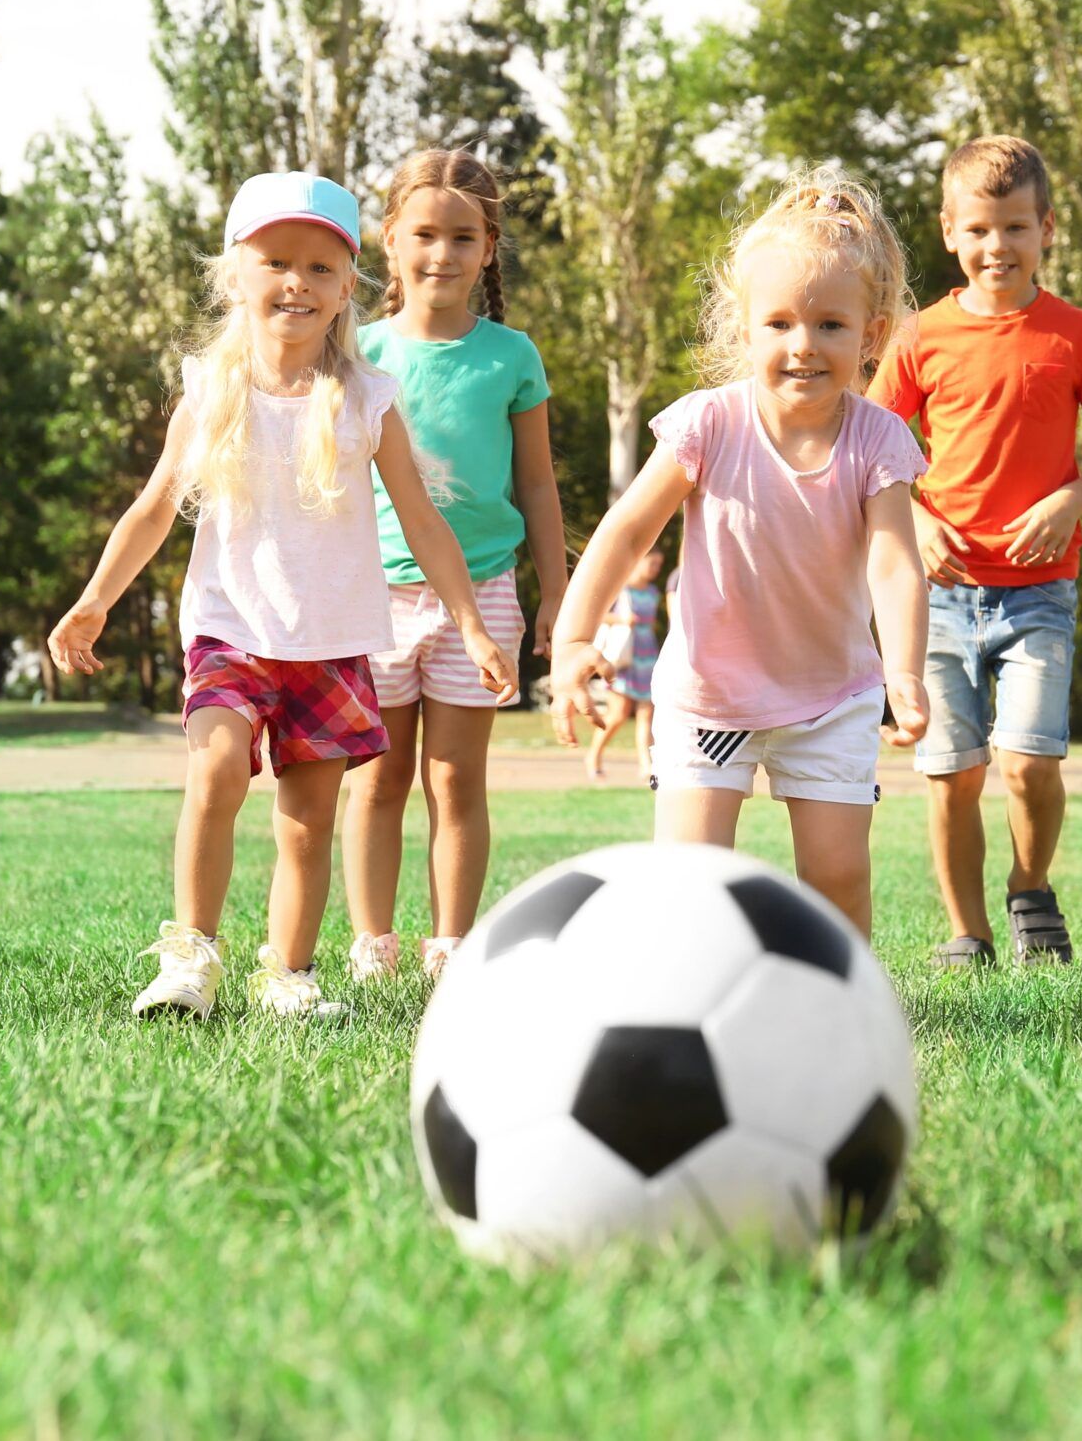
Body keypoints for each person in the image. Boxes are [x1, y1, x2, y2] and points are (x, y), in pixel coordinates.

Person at [49, 172, 512, 1021]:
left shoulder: (368, 398)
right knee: (218, 771)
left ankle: (287, 973)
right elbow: (154, 508)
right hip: (229, 631)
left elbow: (423, 521)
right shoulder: (209, 390)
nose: (296, 282)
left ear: (346, 288)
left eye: (319, 267)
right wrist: (94, 599)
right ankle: (191, 957)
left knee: (306, 823)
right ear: (236, 275)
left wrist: (473, 623)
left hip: (330, 642)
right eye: (275, 261)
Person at [549, 170, 929, 936]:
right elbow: (626, 532)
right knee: (687, 884)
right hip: (711, 694)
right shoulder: (707, 425)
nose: (803, 345)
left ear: (872, 334)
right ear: (744, 329)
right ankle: (686, 1006)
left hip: (831, 698)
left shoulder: (878, 439)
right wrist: (572, 640)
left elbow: (895, 563)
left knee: (837, 876)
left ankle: (838, 1007)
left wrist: (906, 673)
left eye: (830, 325)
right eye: (780, 323)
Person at [868, 137, 1082, 969]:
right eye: (980, 228)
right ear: (951, 231)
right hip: (939, 594)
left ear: (1047, 228)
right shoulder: (921, 338)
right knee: (952, 772)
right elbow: (872, 450)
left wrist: (1069, 500)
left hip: (1039, 595)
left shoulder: (1077, 336)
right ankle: (967, 934)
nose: (998, 247)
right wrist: (913, 520)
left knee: (1027, 764)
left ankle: (1030, 885)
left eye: (1016, 226)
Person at [340, 150, 565, 982]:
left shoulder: (511, 356)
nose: (443, 253)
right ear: (389, 239)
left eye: (463, 237)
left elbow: (536, 484)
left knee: (454, 777)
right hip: (374, 598)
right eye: (425, 233)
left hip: (487, 595)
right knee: (378, 778)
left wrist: (557, 595)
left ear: (489, 249)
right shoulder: (355, 353)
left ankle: (453, 949)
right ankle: (373, 947)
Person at [584, 544, 664, 782]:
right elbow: (597, 615)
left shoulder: (652, 592)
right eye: (652, 563)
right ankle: (594, 755)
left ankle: (646, 763)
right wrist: (621, 619)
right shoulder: (621, 589)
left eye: (658, 565)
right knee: (618, 713)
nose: (655, 569)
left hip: (647, 655)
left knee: (647, 713)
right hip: (624, 657)